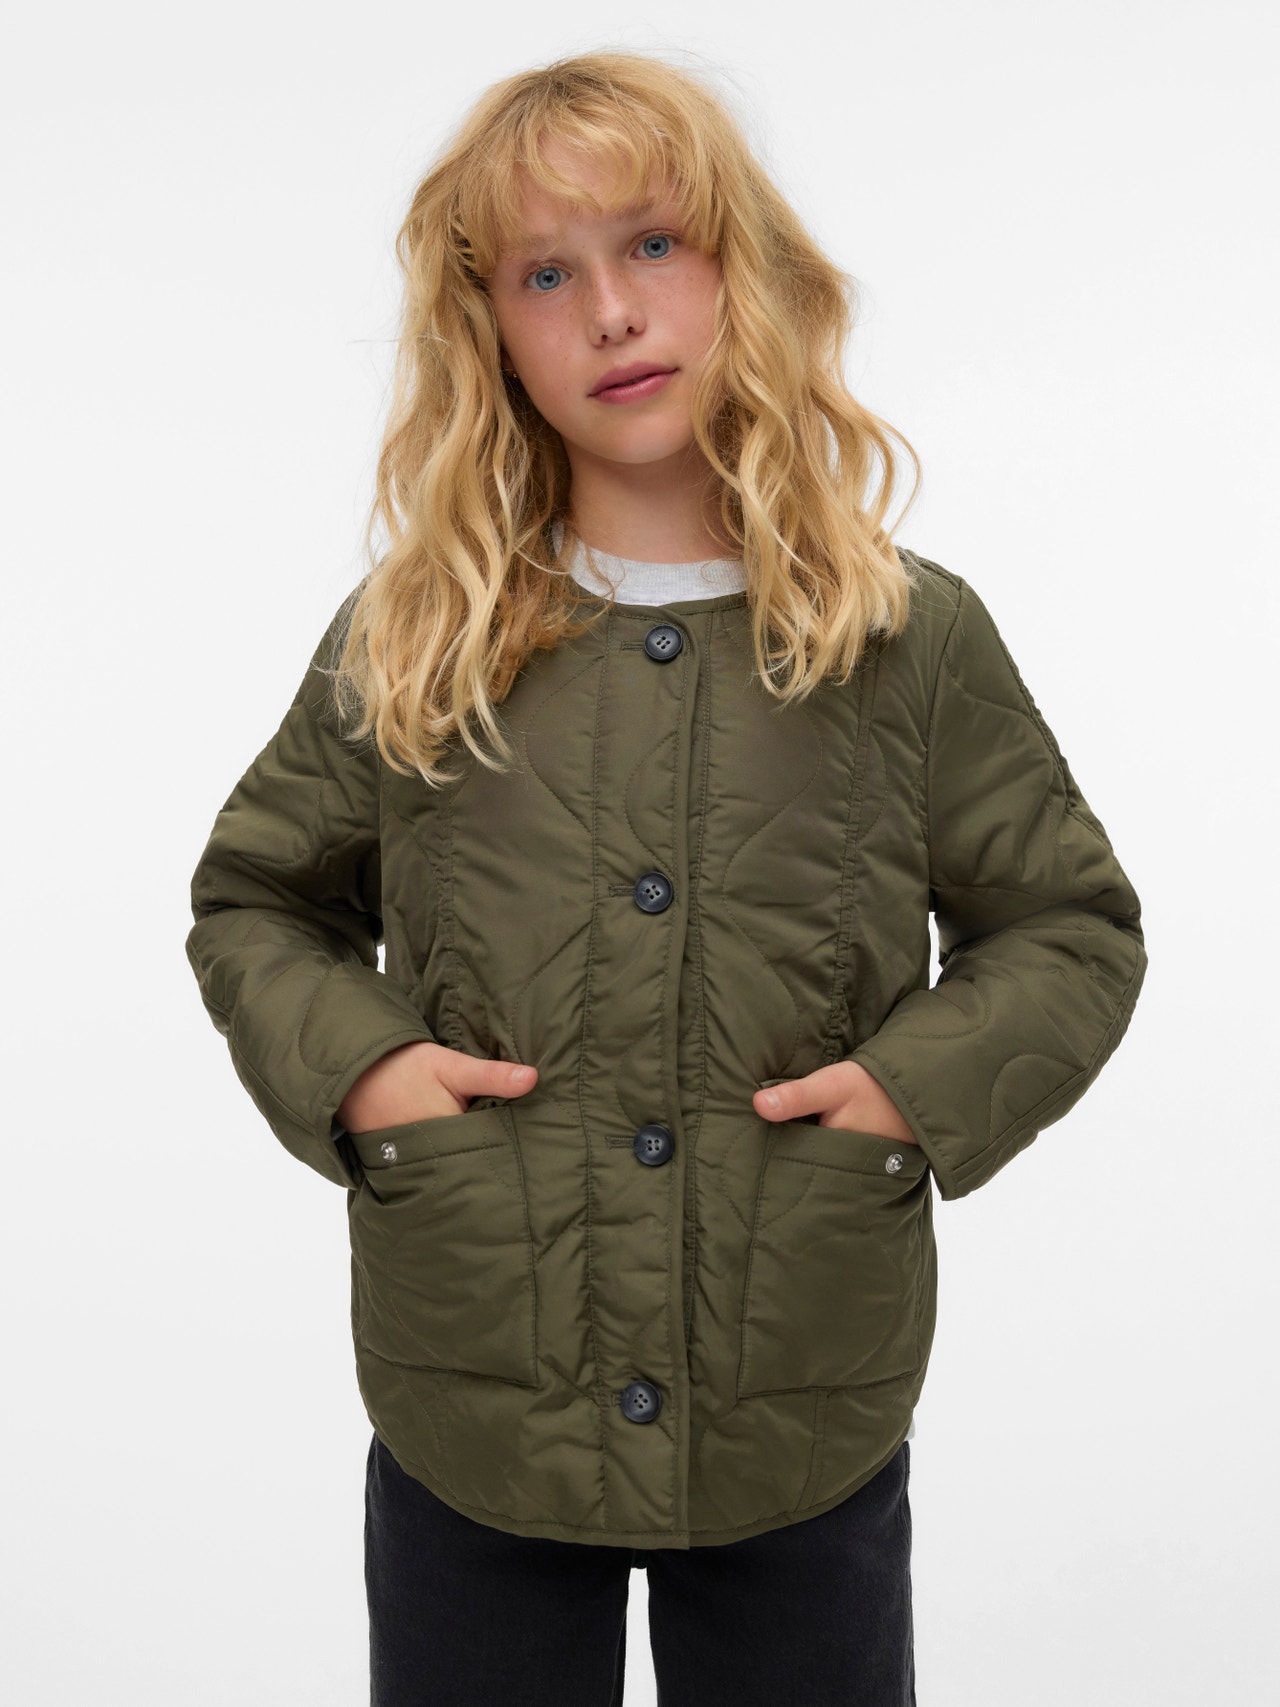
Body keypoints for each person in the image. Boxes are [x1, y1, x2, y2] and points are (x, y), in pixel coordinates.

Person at [185, 49, 1148, 1707]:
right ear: (489, 332)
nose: (612, 313)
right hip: (480, 1363)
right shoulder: (420, 634)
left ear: (743, 268)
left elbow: (1068, 925)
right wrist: (366, 1074)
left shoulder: (900, 637)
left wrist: (908, 1097)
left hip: (801, 1367)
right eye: (544, 275)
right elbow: (256, 897)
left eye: (652, 244)